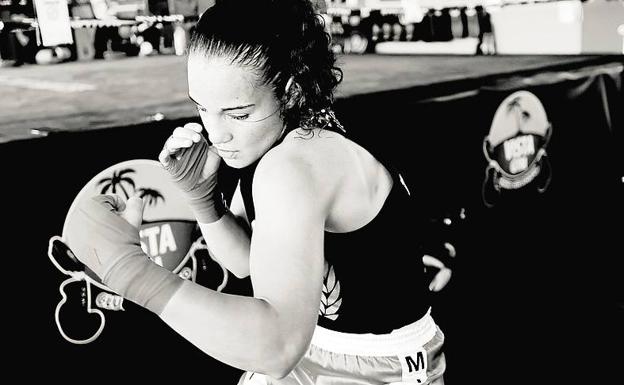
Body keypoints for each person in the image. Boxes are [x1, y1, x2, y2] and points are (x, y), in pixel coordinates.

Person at [65, 1, 446, 384]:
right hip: (322, 346)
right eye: (203, 109)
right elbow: (245, 262)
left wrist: (127, 270)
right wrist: (205, 201)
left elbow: (276, 349)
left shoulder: (295, 164)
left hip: (373, 365)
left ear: (291, 91)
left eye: (238, 113)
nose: (217, 133)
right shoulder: (278, 140)